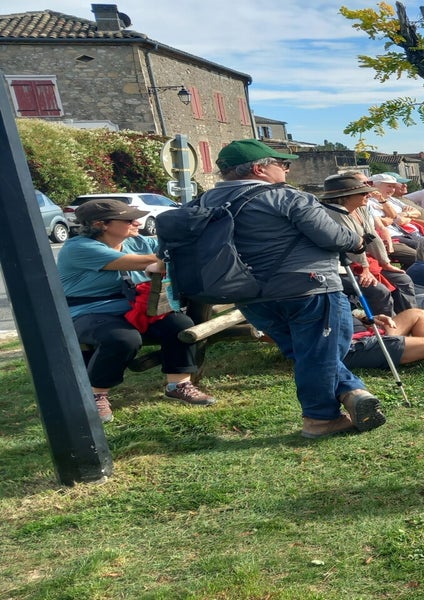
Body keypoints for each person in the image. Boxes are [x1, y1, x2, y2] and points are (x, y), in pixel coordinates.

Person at [204, 139, 385, 439]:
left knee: (309, 351)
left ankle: (351, 392)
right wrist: (356, 241)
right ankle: (320, 419)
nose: (286, 170)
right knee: (321, 351)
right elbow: (334, 237)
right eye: (282, 164)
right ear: (259, 169)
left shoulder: (203, 202)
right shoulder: (285, 196)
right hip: (308, 287)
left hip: (246, 293)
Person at [57, 199, 217, 423]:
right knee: (122, 338)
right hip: (90, 312)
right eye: (128, 220)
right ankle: (96, 394)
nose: (137, 223)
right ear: (100, 224)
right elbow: (146, 261)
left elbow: (170, 250)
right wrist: (162, 261)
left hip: (135, 309)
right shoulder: (79, 248)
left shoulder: (138, 241)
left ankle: (178, 385)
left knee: (180, 325)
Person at [319, 173, 416, 316]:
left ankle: (409, 320)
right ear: (346, 196)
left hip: (362, 262)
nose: (368, 195)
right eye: (363, 193)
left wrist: (385, 263)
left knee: (403, 280)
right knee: (379, 291)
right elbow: (351, 244)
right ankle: (387, 326)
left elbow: (372, 235)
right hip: (340, 267)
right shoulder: (334, 212)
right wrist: (365, 268)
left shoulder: (360, 208)